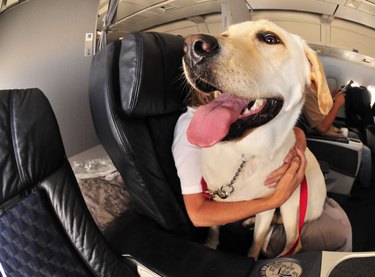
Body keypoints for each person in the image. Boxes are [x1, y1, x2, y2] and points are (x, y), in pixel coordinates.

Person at [172, 92, 352, 257]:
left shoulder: (239, 115)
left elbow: (284, 131)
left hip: (274, 199)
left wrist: (299, 138)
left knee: (335, 213)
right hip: (247, 213)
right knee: (340, 233)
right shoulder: (193, 131)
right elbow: (198, 214)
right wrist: (274, 200)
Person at [303, 86, 372, 188]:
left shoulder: (312, 91)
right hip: (325, 136)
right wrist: (337, 104)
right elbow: (322, 128)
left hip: (331, 130)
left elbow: (321, 113)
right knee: (366, 152)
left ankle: (358, 177)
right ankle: (365, 190)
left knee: (355, 135)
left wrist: (331, 98)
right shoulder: (307, 94)